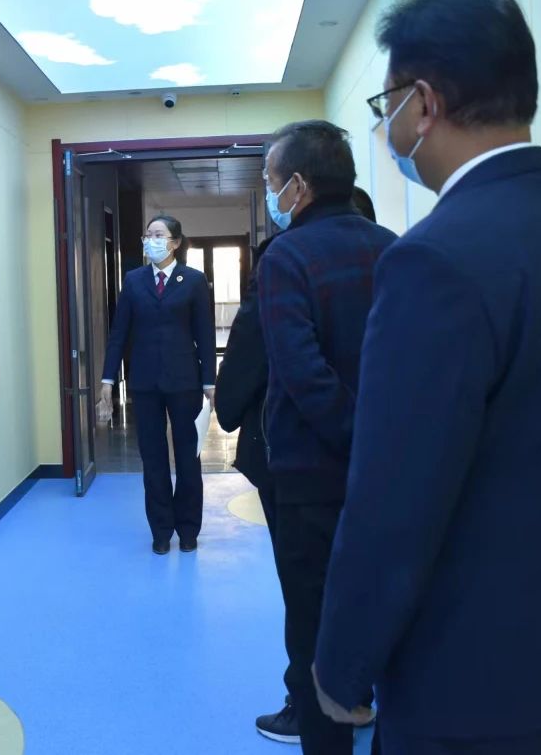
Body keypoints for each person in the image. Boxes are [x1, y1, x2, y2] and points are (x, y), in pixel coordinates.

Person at [312, 0, 541, 755]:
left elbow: (393, 502)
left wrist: (341, 665)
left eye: (387, 105)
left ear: (424, 103)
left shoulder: (433, 261)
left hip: (468, 683)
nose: (388, 127)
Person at [258, 120, 397, 755]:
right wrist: (381, 442)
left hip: (312, 478)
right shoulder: (394, 248)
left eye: (271, 181)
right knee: (389, 624)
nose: (270, 194)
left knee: (315, 633)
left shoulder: (286, 258)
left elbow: (302, 372)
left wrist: (352, 435)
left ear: (298, 184)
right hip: (390, 475)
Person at [214, 230, 299, 745]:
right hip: (370, 452)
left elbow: (234, 389)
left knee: (302, 580)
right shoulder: (383, 256)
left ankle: (307, 703)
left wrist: (228, 407)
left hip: (285, 453)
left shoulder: (276, 279)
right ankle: (357, 692)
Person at [98, 215, 216, 554]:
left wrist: (210, 382)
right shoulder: (134, 281)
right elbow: (119, 333)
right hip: (145, 383)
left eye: (159, 234)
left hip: (185, 382)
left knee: (188, 458)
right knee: (153, 460)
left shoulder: (193, 281)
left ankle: (189, 529)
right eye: (148, 234)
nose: (151, 239)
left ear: (175, 242)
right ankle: (161, 530)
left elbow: (205, 335)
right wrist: (108, 379)